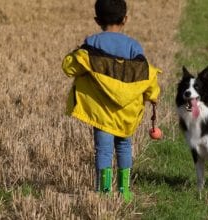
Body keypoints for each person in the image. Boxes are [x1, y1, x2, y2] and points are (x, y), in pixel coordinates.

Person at [61, 0, 161, 202]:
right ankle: (124, 190)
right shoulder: (133, 46)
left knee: (104, 150)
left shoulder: (92, 43)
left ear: (97, 20)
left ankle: (104, 192)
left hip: (101, 112)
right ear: (125, 19)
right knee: (124, 146)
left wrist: (76, 54)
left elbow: (70, 67)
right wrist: (153, 95)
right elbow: (145, 73)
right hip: (126, 113)